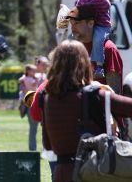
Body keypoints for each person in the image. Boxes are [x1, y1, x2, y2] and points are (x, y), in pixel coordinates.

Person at [40, 39, 132, 182]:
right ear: (84, 64)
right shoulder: (93, 95)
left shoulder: (47, 99)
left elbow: (48, 145)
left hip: (62, 174)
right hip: (92, 172)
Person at [75, 0, 111, 79]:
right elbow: (78, 11)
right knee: (72, 38)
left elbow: (106, 6)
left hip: (101, 25)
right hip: (87, 26)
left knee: (98, 38)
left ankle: (99, 65)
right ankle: (75, 63)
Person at [19, 64, 38, 151]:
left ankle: (33, 148)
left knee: (33, 128)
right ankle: (33, 149)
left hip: (30, 101)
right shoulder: (29, 79)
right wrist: (37, 80)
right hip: (30, 101)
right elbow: (34, 85)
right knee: (33, 128)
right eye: (33, 71)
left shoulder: (24, 78)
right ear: (28, 71)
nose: (35, 72)